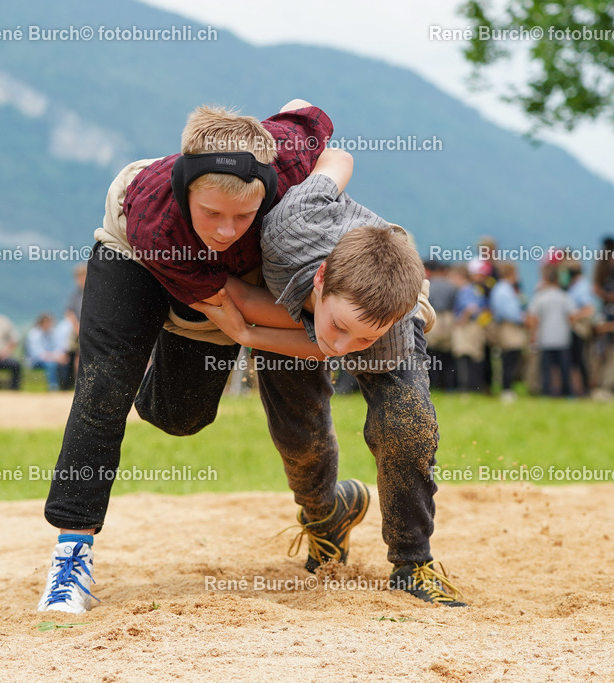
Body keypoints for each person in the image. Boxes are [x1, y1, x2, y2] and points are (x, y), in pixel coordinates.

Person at [39, 100, 342, 614]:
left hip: (225, 284)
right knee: (105, 386)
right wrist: (253, 329)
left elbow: (316, 128)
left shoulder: (286, 165)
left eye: (243, 215)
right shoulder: (156, 221)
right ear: (185, 192)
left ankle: (148, 345)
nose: (226, 229)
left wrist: (324, 184)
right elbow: (239, 315)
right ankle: (71, 557)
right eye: (213, 214)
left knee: (181, 416)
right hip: (136, 254)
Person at [195, 148, 461, 606]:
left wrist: (256, 335)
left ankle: (412, 562)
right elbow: (337, 154)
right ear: (319, 279)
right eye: (339, 328)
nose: (339, 350)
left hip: (387, 299)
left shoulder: (388, 329)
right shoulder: (293, 226)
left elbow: (334, 339)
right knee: (299, 437)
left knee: (407, 426)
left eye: (357, 340)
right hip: (300, 301)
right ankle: (327, 518)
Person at [527, 266, 575, 397]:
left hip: (545, 338)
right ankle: (567, 392)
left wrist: (533, 335)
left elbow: (533, 318)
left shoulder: (540, 297)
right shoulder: (564, 296)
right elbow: (572, 317)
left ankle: (546, 392)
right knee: (564, 368)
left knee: (546, 369)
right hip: (562, 338)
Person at [450, 261, 488, 393]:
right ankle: (475, 386)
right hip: (476, 326)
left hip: (467, 327)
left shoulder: (465, 290)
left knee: (465, 356)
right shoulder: (474, 289)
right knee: (475, 357)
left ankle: (466, 387)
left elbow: (471, 308)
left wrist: (461, 320)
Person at [489, 262, 525, 401]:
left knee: (509, 358)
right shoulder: (505, 289)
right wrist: (522, 318)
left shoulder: (500, 288)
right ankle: (507, 388)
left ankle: (506, 387)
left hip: (506, 326)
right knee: (510, 357)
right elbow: (509, 312)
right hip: (509, 327)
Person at [425, 260, 456, 391]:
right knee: (447, 354)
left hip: (433, 317)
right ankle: (448, 384)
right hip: (448, 319)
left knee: (431, 352)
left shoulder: (429, 285)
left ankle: (433, 382)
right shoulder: (451, 286)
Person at [566, 260, 596, 396]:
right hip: (574, 329)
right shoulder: (574, 286)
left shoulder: (581, 287)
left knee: (578, 360)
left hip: (578, 330)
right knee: (575, 360)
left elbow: (589, 309)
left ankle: (582, 389)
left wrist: (573, 317)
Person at [60, 264, 86, 390]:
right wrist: (77, 327)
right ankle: (78, 384)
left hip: (90, 329)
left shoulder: (93, 292)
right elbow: (69, 313)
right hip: (78, 330)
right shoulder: (76, 294)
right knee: (78, 356)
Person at [26, 312, 66, 391]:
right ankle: (53, 387)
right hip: (35, 361)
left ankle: (65, 387)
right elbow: (37, 354)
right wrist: (55, 357)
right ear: (42, 323)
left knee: (65, 362)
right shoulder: (34, 334)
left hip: (52, 358)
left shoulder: (52, 333)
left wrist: (60, 356)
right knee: (51, 364)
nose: (50, 325)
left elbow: (59, 347)